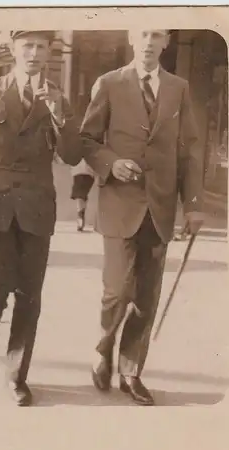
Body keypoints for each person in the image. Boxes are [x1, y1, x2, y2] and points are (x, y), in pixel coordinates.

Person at [0, 31, 82, 406]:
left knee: (29, 296)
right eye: (28, 47)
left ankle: (17, 373)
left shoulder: (58, 97)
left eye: (41, 47)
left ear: (50, 52)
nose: (35, 54)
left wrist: (58, 113)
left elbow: (71, 155)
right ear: (13, 50)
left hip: (37, 209)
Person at [80, 29, 204, 405]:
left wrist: (194, 203)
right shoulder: (109, 84)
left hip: (160, 207)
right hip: (120, 204)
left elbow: (191, 149)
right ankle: (103, 349)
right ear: (133, 39)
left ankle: (131, 371)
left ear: (166, 42)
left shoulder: (179, 88)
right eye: (143, 35)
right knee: (116, 292)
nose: (149, 42)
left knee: (146, 298)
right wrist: (111, 163)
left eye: (157, 35)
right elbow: (87, 140)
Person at [70, 158, 95, 231]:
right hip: (87, 171)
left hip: (80, 170)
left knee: (80, 194)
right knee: (82, 195)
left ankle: (80, 215)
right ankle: (81, 215)